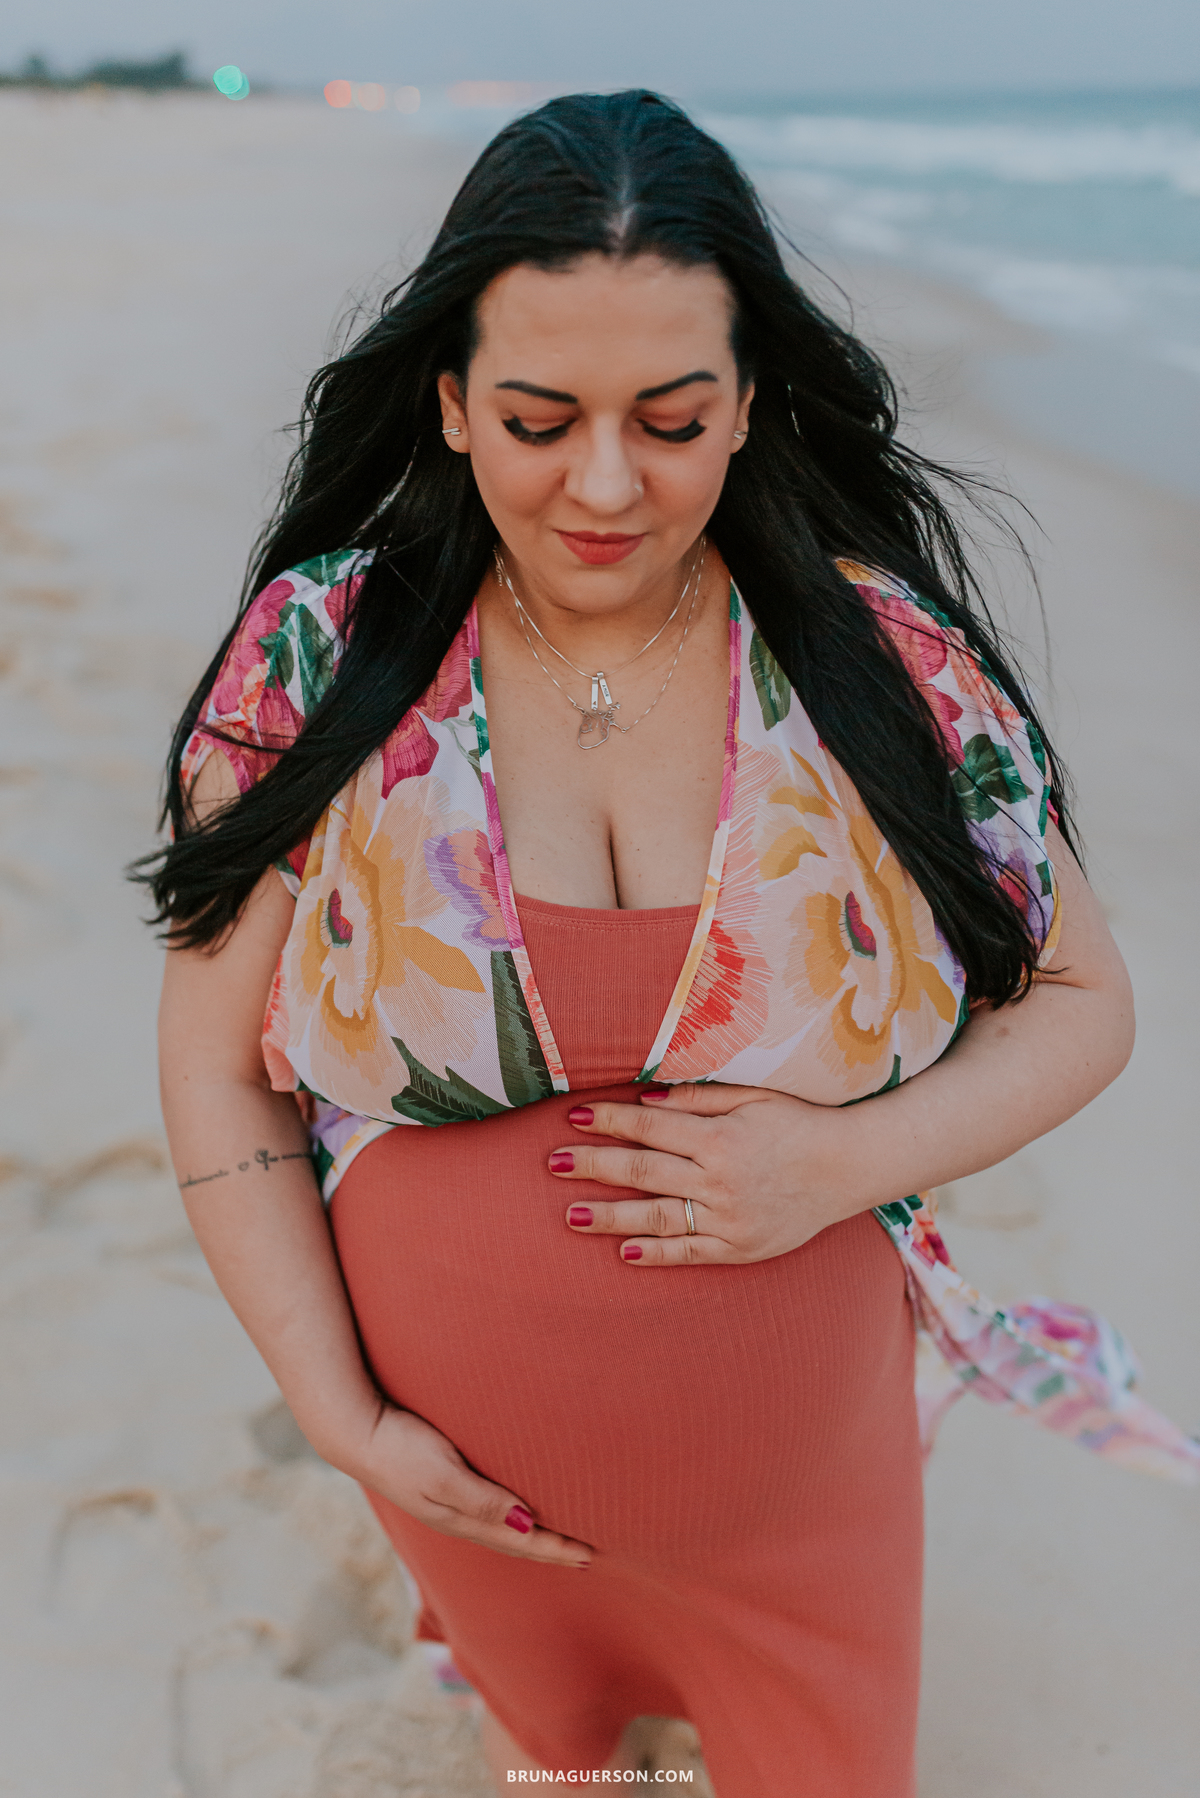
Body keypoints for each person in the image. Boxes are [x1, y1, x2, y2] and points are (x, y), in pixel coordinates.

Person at [143, 91, 1196, 1797]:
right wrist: (338, 1412)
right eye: (540, 419)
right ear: (449, 401)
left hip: (806, 1499)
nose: (608, 483)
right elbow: (210, 1060)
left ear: (752, 401)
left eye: (673, 417)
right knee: (547, 1752)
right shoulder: (323, 651)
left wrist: (835, 1163)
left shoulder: (877, 659)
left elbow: (1086, 1000)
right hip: (459, 1475)